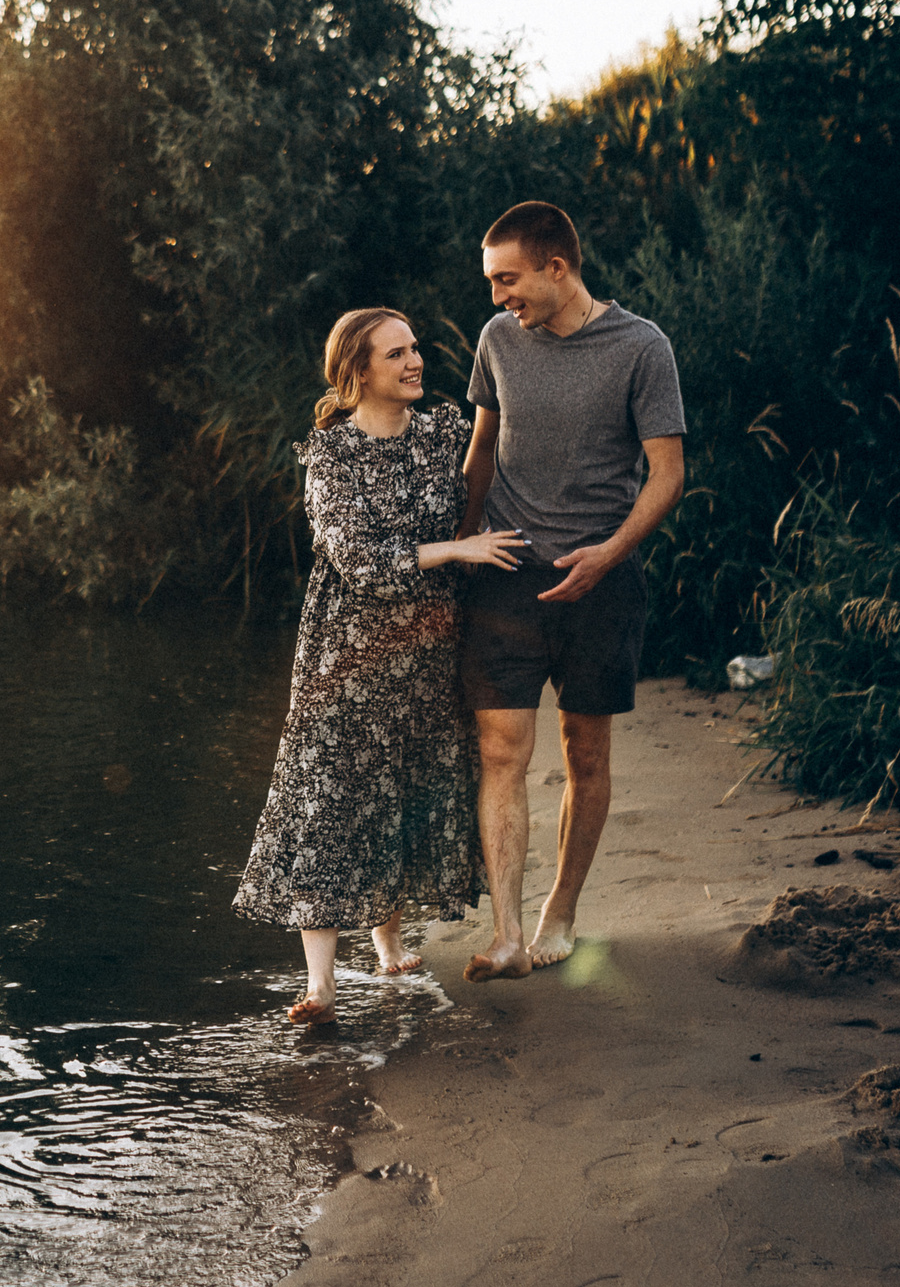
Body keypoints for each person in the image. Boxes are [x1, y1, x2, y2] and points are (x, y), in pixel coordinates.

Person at [234, 306, 530, 1024]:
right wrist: (455, 552)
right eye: (396, 354)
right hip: (347, 656)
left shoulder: (441, 435)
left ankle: (389, 947)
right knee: (331, 805)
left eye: (415, 347)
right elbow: (360, 560)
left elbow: (493, 484)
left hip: (428, 656)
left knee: (399, 799)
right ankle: (322, 988)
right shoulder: (329, 453)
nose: (414, 361)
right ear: (358, 371)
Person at [456, 202, 686, 983]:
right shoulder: (497, 343)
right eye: (492, 282)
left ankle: (560, 914)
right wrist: (463, 555)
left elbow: (668, 474)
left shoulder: (641, 347)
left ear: (557, 267)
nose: (498, 298)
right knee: (500, 752)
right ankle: (507, 933)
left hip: (602, 584)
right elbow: (480, 455)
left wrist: (611, 554)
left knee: (584, 753)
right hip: (507, 576)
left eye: (507, 279)